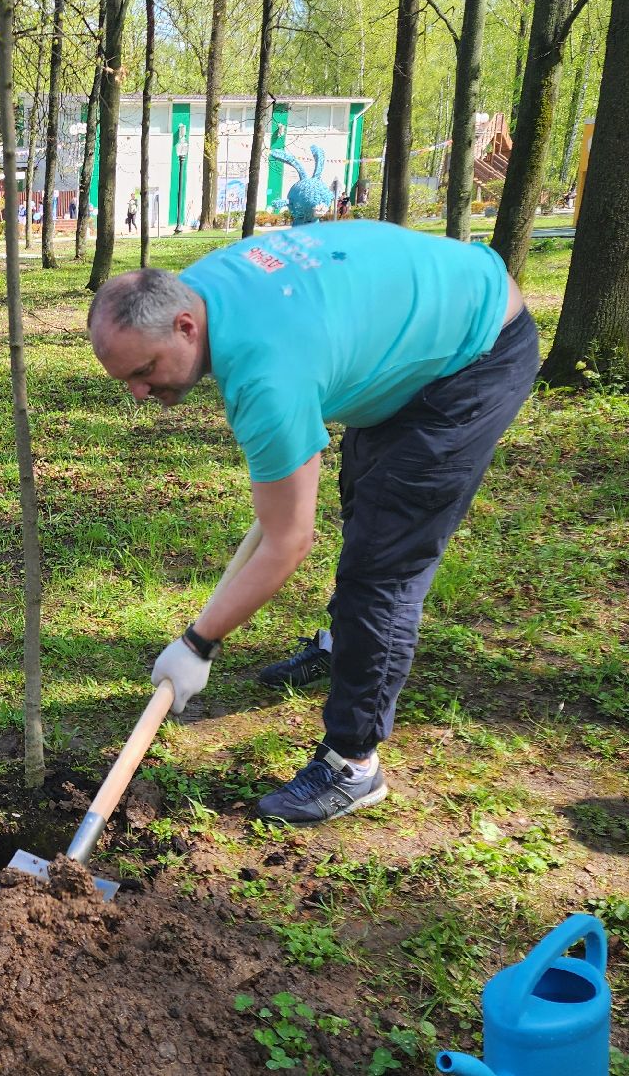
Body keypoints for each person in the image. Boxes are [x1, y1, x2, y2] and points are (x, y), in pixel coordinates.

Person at [85, 220, 536, 827]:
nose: (139, 393)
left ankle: (354, 764)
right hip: (413, 332)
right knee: (368, 504)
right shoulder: (196, 290)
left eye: (144, 371)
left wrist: (198, 643)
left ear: (185, 328)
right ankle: (346, 645)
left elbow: (288, 541)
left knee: (382, 570)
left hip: (471, 357)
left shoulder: (267, 375)